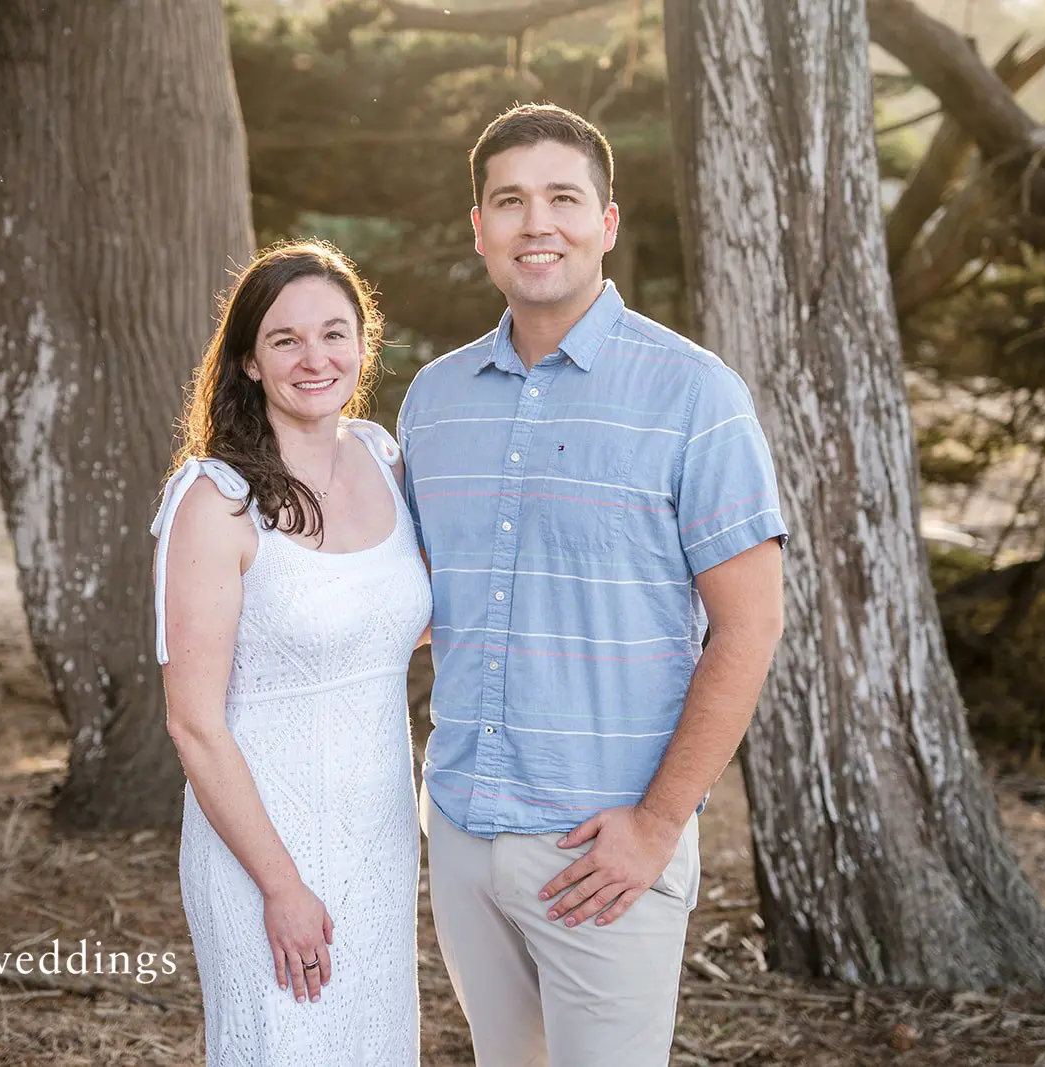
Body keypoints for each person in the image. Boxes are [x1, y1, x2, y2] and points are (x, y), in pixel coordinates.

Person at [397, 103, 789, 1067]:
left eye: (564, 198)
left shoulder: (696, 395)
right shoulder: (433, 401)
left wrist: (656, 827)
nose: (538, 223)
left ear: (606, 222)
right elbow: (413, 603)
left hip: (604, 847)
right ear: (479, 228)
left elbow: (749, 628)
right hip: (461, 829)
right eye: (510, 201)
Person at [151, 240, 431, 1066]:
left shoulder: (385, 459)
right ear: (249, 360)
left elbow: (384, 620)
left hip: (381, 837)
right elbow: (193, 723)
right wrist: (280, 885)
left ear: (362, 345)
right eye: (286, 339)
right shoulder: (216, 501)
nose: (316, 359)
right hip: (264, 852)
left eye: (334, 334)